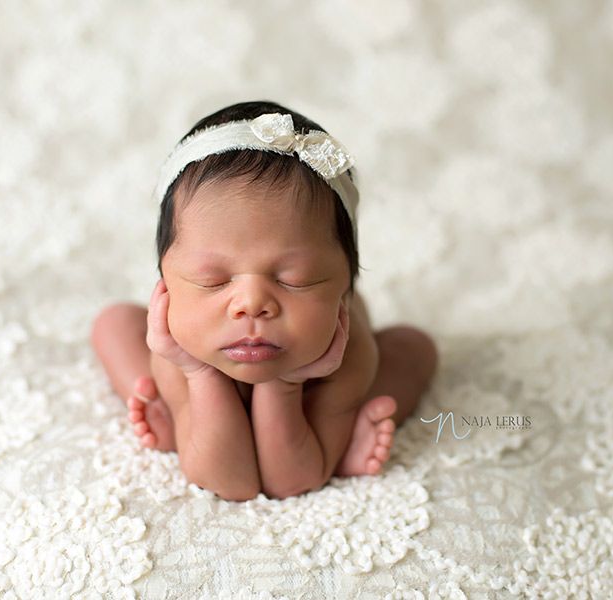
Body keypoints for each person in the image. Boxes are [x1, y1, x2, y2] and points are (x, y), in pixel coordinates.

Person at [92, 101, 437, 501]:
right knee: (114, 322)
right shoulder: (181, 346)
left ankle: (338, 435)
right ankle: (179, 413)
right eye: (212, 280)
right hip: (196, 358)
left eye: (295, 279)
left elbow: (290, 481)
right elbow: (226, 481)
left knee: (414, 347)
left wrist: (287, 384)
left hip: (316, 379)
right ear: (167, 282)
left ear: (344, 289)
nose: (252, 303)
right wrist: (197, 374)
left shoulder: (347, 354)